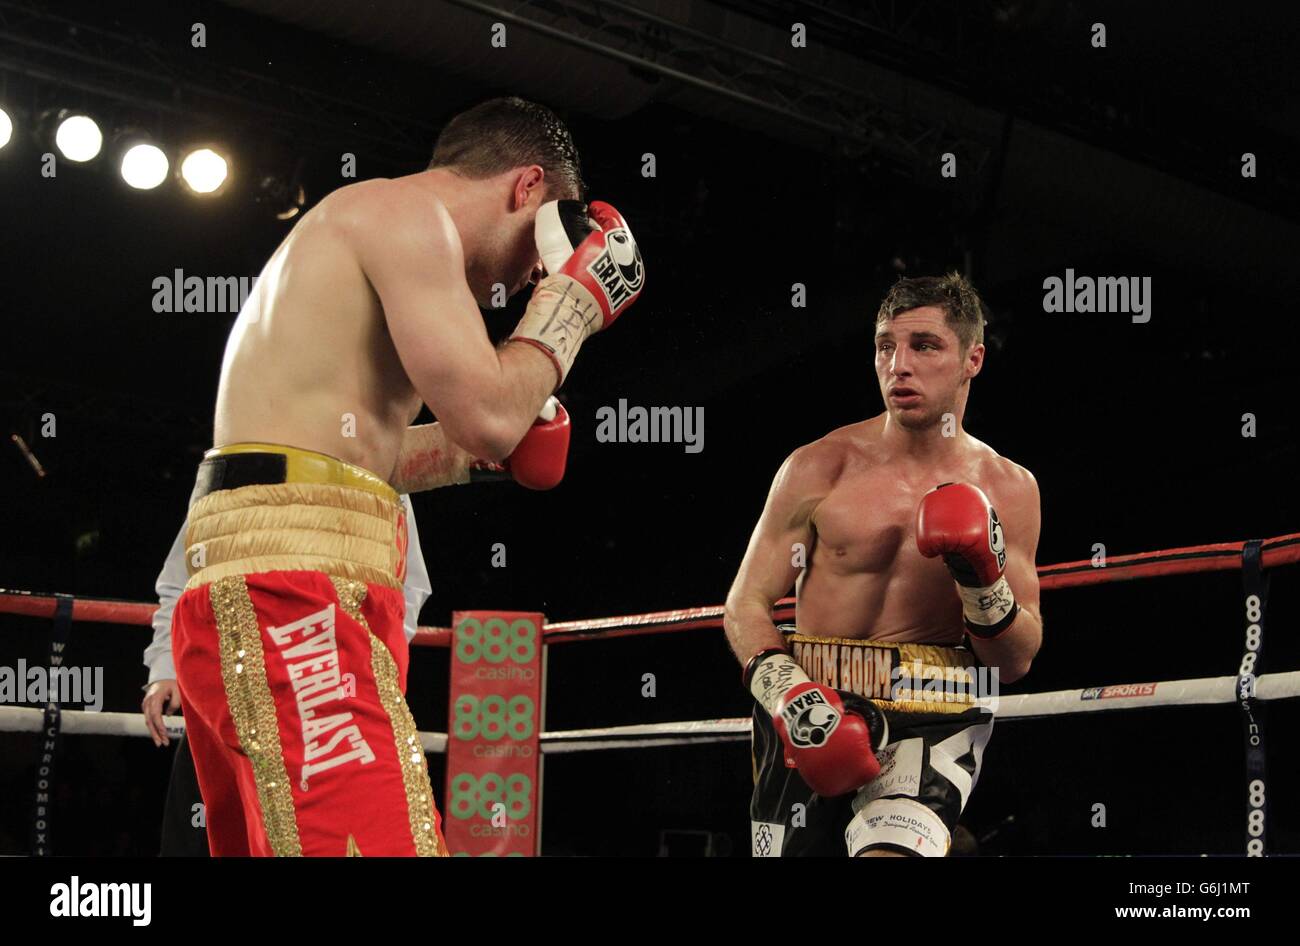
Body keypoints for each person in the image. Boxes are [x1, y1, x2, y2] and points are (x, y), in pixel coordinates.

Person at [172, 95, 643, 856]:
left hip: (293, 570)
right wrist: (573, 306)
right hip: (293, 589)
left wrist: (473, 456)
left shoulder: (376, 235)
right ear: (527, 188)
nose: (535, 275)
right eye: (545, 244)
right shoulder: (408, 216)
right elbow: (491, 411)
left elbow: (368, 457)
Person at [724, 272, 1042, 857]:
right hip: (809, 698)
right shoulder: (818, 466)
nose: (899, 365)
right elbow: (745, 604)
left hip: (934, 707)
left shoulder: (1009, 488)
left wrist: (983, 580)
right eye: (885, 346)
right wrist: (789, 696)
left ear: (973, 358)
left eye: (924, 346)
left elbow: (1016, 658)